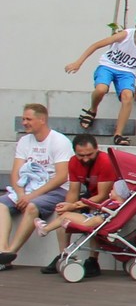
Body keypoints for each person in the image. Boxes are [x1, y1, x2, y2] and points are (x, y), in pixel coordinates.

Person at [33, 133, 131, 278]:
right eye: (81, 155)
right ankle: (64, 255)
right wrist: (68, 206)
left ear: (97, 149)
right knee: (62, 212)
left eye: (89, 154)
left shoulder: (105, 161)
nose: (85, 159)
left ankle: (92, 260)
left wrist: (73, 207)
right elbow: (73, 191)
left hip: (106, 199)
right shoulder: (73, 162)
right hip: (90, 195)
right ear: (74, 152)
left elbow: (102, 195)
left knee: (93, 210)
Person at [0, 103, 76, 270]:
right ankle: (2, 251)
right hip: (29, 188)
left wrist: (30, 197)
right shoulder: (24, 141)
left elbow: (61, 177)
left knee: (32, 206)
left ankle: (10, 253)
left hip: (56, 190)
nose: (24, 123)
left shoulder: (59, 141)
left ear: (42, 120)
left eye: (28, 119)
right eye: (23, 119)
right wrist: (21, 194)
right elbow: (15, 172)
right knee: (1, 205)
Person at [65, 9, 136, 145]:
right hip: (108, 65)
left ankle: (118, 134)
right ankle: (92, 110)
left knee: (127, 97)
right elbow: (96, 45)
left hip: (127, 72)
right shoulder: (125, 35)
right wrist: (78, 62)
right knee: (101, 89)